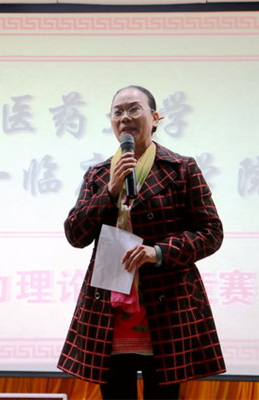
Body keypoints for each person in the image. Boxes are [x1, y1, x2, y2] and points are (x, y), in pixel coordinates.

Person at [57, 85, 225, 400]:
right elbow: (75, 235)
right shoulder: (98, 175)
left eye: (134, 109)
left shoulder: (181, 169)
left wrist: (158, 251)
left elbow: (211, 232)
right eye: (117, 112)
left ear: (155, 118)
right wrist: (110, 190)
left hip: (167, 308)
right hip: (108, 313)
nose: (125, 117)